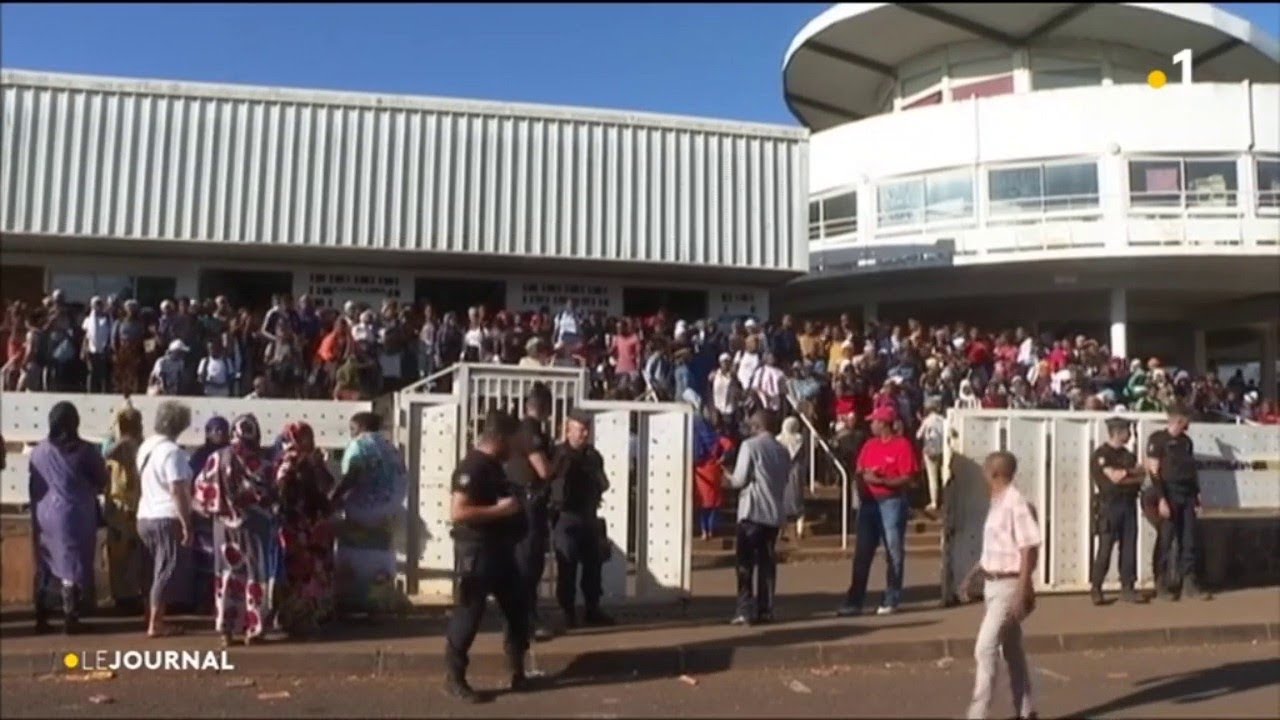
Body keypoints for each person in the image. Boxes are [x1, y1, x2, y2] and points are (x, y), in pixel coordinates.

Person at [443, 410, 530, 703]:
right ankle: (454, 677)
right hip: (477, 551)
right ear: (500, 439)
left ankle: (517, 669)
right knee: (469, 613)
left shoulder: (495, 467)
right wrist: (501, 511)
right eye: (514, 441)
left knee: (517, 608)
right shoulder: (473, 466)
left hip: (500, 549)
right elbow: (458, 512)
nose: (516, 449)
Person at [958, 451, 1040, 720]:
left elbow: (1028, 547)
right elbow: (995, 548)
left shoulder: (1016, 503)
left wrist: (1023, 589)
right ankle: (1026, 710)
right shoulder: (996, 502)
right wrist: (973, 575)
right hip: (993, 583)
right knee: (1012, 649)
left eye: (985, 469)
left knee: (985, 647)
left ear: (995, 473)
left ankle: (977, 713)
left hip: (1008, 586)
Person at [193, 414, 279, 646]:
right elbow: (272, 495)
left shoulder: (215, 458)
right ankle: (254, 629)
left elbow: (201, 492)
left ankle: (227, 629)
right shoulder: (262, 465)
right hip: (254, 527)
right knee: (255, 575)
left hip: (223, 527)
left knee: (227, 575)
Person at [29, 402, 108, 634]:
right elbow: (101, 479)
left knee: (46, 563)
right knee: (71, 566)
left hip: (44, 513)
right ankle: (70, 617)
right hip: (73, 514)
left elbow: (33, 484)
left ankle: (41, 616)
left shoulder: (38, 451)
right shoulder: (84, 451)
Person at [838, 405, 918, 617]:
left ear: (884, 424)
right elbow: (859, 471)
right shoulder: (869, 445)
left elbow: (907, 477)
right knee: (862, 554)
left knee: (893, 552)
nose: (871, 424)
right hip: (869, 503)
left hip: (891, 502)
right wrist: (862, 486)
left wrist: (882, 481)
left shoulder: (902, 446)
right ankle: (854, 601)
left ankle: (891, 598)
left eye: (874, 421)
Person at [330, 412, 411, 617]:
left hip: (361, 509)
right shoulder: (391, 449)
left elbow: (351, 476)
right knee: (380, 559)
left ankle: (352, 600)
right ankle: (379, 601)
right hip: (387, 513)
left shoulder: (360, 446)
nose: (351, 433)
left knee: (354, 556)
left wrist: (333, 499)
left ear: (360, 427)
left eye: (352, 429)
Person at [549, 410, 614, 629]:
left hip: (588, 515)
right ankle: (566, 611)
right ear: (568, 430)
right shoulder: (558, 454)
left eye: (587, 429)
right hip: (565, 516)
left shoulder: (593, 456)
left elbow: (604, 483)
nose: (584, 434)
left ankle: (592, 609)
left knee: (593, 566)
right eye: (580, 429)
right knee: (567, 565)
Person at [136, 400, 195, 637]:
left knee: (152, 569)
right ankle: (156, 623)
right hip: (166, 516)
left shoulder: (147, 446)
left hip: (145, 515)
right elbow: (176, 489)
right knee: (167, 569)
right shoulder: (172, 452)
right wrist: (186, 523)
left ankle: (150, 616)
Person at [728, 409, 791, 626]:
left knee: (745, 564)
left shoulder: (750, 446)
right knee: (767, 564)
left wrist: (728, 477)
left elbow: (739, 480)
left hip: (752, 511)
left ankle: (745, 609)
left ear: (756, 426)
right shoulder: (783, 451)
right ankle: (766, 609)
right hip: (773, 513)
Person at [275, 422, 337, 637]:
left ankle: (305, 616)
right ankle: (299, 617)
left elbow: (326, 486)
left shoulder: (309, 460)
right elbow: (282, 491)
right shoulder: (290, 462)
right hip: (298, 525)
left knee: (307, 571)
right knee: (302, 572)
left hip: (306, 525)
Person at [1145, 406, 1212, 601]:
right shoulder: (1158, 440)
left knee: (1188, 541)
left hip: (1187, 495)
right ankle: (1161, 584)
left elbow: (1191, 471)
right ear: (1178, 420)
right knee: (1166, 540)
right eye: (1186, 420)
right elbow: (1154, 471)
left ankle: (1189, 584)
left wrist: (1197, 494)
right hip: (1168, 494)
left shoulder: (1186, 442)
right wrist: (1162, 499)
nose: (1188, 424)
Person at [507, 383, 557, 641]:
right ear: (546, 408)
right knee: (529, 564)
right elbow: (544, 470)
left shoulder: (520, 429)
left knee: (528, 563)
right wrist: (559, 460)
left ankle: (525, 618)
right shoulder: (531, 432)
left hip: (523, 503)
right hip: (529, 505)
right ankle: (525, 621)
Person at [1089, 417, 1147, 605]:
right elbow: (1114, 477)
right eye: (1126, 430)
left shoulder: (1128, 455)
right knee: (1105, 549)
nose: (1129, 434)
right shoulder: (1102, 454)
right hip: (1109, 506)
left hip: (1128, 504)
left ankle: (1128, 587)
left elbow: (1141, 477)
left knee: (1129, 547)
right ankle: (1096, 588)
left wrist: (1128, 476)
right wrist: (1131, 473)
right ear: (1117, 432)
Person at [103, 404, 145, 614]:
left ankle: (133, 594)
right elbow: (107, 453)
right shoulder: (112, 444)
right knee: (117, 552)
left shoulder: (142, 444)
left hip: (136, 504)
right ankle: (119, 594)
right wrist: (121, 439)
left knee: (134, 551)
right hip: (117, 505)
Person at [187, 416, 230, 613]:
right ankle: (200, 602)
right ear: (208, 432)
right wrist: (196, 505)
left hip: (226, 516)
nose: (219, 434)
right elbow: (190, 484)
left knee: (224, 560)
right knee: (203, 560)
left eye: (223, 430)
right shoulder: (199, 456)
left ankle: (221, 602)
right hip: (204, 516)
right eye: (215, 430)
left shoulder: (232, 455)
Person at [693, 410, 732, 542]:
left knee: (702, 504)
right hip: (714, 470)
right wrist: (722, 458)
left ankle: (704, 531)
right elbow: (729, 446)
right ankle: (711, 530)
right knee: (713, 504)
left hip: (700, 471)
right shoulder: (717, 438)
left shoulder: (697, 435)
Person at [777, 416, 809, 541]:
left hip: (782, 471)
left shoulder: (778, 439)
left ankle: (781, 530)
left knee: (781, 501)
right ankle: (799, 529)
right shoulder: (799, 439)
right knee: (798, 501)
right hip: (796, 472)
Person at [917, 398, 946, 513]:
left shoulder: (927, 421)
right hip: (942, 450)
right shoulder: (943, 420)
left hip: (930, 451)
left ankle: (934, 502)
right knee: (943, 476)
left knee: (932, 477)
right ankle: (944, 500)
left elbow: (918, 435)